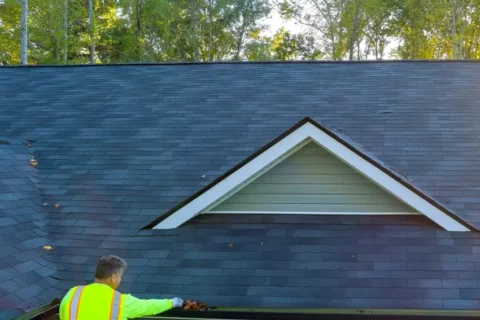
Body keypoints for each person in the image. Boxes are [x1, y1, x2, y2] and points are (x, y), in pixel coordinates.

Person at [59, 255, 184, 320]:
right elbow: (149, 307)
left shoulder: (73, 293)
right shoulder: (119, 301)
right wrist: (173, 302)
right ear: (113, 277)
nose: (120, 280)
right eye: (120, 276)